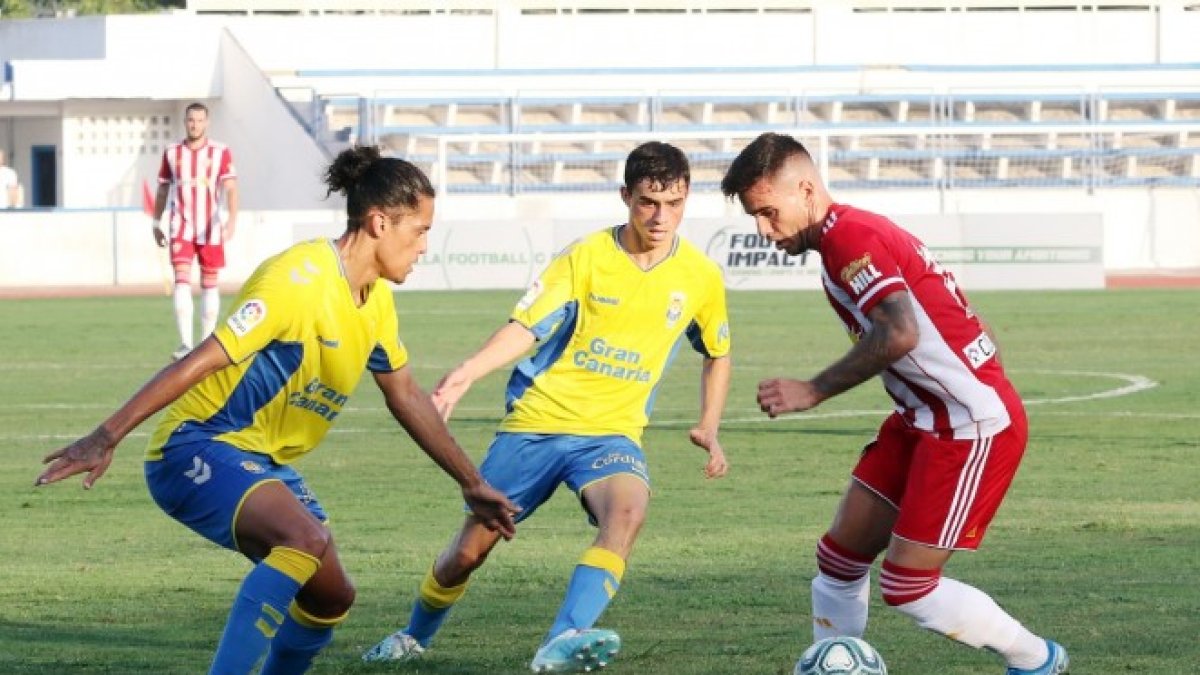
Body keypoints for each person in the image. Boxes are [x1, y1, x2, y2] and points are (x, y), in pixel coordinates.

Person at [36, 146, 519, 675]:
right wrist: (106, 435)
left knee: (332, 596)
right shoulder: (299, 278)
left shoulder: (375, 300)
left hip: (262, 461)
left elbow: (404, 395)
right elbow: (201, 359)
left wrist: (470, 482)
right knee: (303, 539)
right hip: (196, 444)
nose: (425, 245)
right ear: (381, 222)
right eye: (420, 230)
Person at [363, 141, 733, 673]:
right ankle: (413, 635)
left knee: (627, 512)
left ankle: (562, 641)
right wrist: (467, 372)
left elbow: (718, 353)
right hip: (537, 424)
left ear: (687, 198)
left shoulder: (699, 276)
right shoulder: (585, 258)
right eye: (648, 201)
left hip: (611, 434)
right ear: (626, 196)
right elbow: (527, 327)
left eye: (673, 203)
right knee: (469, 551)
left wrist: (710, 426)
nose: (660, 216)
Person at [719, 132, 1068, 675]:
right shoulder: (851, 233)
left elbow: (900, 332)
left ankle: (1037, 661)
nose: (764, 230)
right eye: (754, 217)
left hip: (968, 426)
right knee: (839, 558)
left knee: (908, 587)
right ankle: (835, 664)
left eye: (768, 212)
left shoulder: (851, 238)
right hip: (920, 418)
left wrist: (813, 389)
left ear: (806, 190)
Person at [152, 102, 241, 361]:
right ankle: (185, 344)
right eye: (191, 120)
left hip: (210, 226)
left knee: (210, 283)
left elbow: (231, 188)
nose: (195, 125)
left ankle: (205, 343)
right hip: (180, 225)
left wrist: (232, 220)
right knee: (181, 279)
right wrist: (156, 223)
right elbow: (162, 190)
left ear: (207, 122)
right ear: (185, 122)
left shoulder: (220, 152)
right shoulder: (172, 153)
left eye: (200, 120)